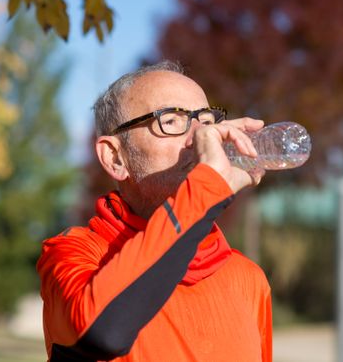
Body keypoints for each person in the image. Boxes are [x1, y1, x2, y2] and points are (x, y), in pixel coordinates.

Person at [37, 61, 272, 362]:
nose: (199, 138)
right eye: (171, 120)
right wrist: (207, 186)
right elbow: (103, 333)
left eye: (206, 120)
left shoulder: (247, 278)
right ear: (114, 158)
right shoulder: (74, 254)